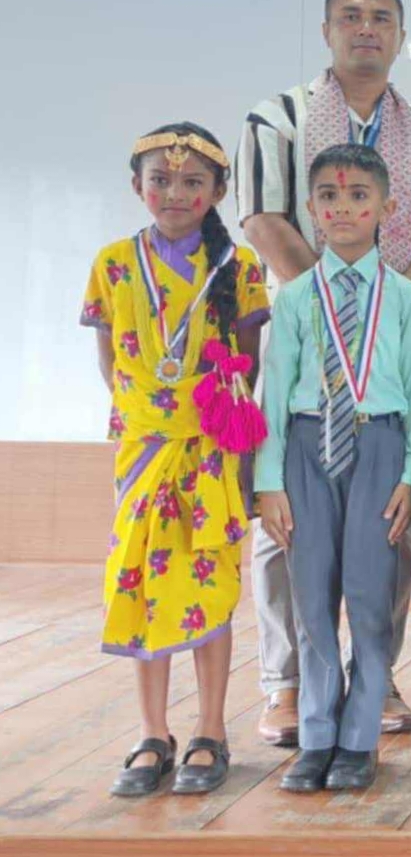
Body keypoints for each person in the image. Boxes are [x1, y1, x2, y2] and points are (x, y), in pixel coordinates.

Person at [237, 0, 411, 744]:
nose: (366, 28)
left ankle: (378, 672)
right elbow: (261, 215)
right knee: (286, 527)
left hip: (389, 350)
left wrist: (382, 302)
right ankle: (286, 682)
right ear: (327, 30)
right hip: (303, 339)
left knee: (388, 526)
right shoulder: (277, 117)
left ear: (401, 35)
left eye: (381, 18)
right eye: (351, 16)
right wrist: (329, 296)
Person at [85, 124, 270, 797]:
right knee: (139, 581)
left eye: (193, 181)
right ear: (137, 185)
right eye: (160, 179)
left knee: (208, 583)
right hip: (145, 451)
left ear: (218, 191)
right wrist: (155, 419)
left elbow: (248, 366)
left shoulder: (240, 267)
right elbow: (111, 362)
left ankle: (211, 730)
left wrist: (225, 443)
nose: (174, 192)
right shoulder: (112, 263)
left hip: (210, 453)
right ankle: (152, 733)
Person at [254, 144, 411, 792]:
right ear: (311, 208)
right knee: (310, 595)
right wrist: (268, 480)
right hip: (307, 449)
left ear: (387, 207)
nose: (344, 208)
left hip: (379, 448)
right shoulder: (295, 298)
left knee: (369, 592)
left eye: (360, 195)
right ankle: (316, 733)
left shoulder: (407, 299)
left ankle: (358, 739)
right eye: (329, 196)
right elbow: (274, 393)